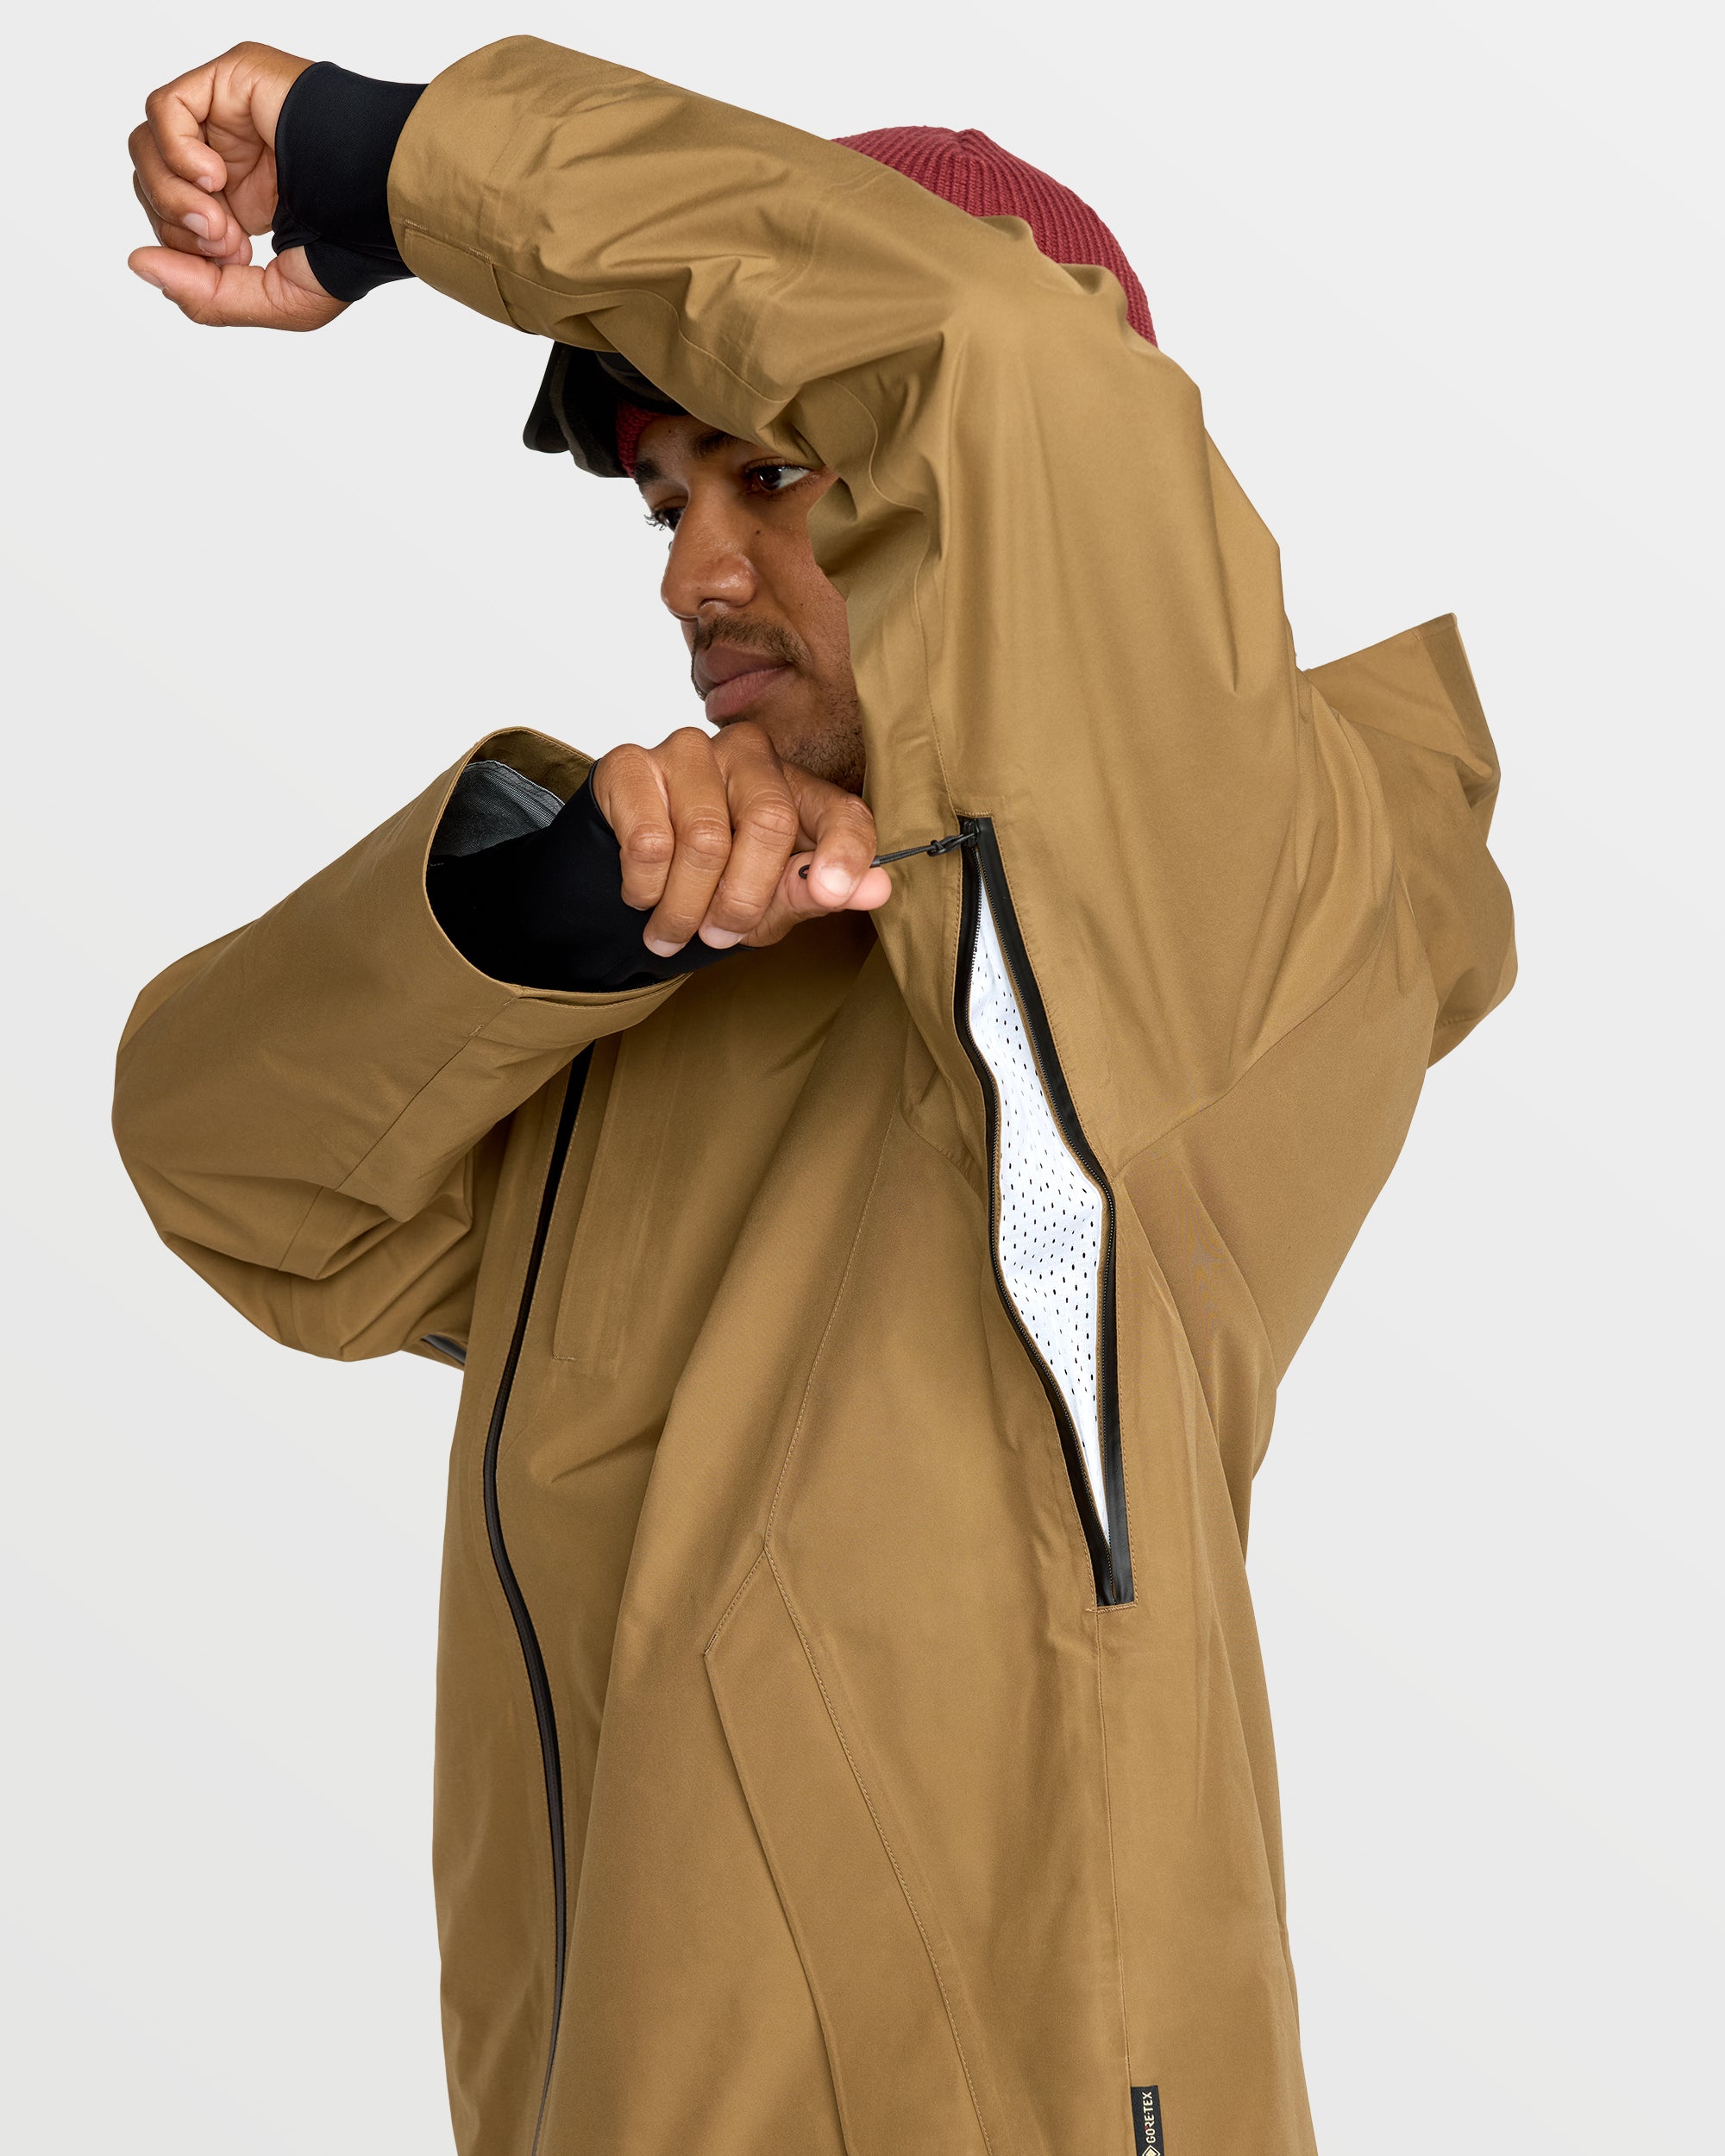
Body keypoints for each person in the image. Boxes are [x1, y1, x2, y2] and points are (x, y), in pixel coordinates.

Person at [116, 36, 1516, 2156]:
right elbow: (233, 1169)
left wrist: (397, 173)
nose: (691, 573)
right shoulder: (691, 994)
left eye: (773, 471)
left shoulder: (1230, 903)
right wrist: (543, 915)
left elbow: (994, 369)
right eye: (664, 499)